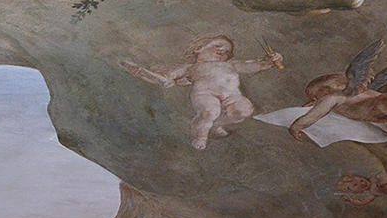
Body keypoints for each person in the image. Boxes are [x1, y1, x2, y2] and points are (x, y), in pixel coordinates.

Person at [121, 35, 283, 150]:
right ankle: (200, 135)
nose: (222, 50)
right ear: (199, 49)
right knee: (210, 111)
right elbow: (166, 78)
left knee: (244, 109)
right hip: (204, 95)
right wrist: (144, 74)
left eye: (227, 51)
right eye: (217, 46)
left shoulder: (230, 65)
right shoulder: (190, 68)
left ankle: (217, 124)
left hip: (232, 95)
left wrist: (268, 61)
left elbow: (255, 66)